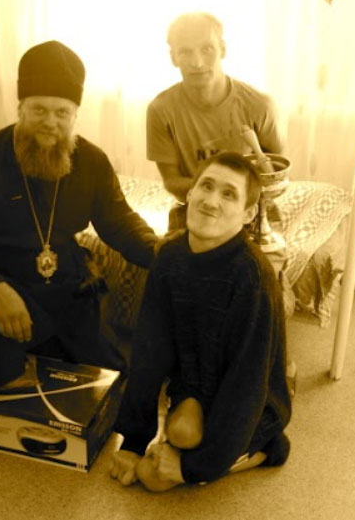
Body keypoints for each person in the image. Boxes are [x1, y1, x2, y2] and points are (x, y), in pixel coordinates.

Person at [0, 40, 159, 451]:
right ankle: (7, 351)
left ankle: (47, 346)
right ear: (20, 107)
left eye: (61, 112)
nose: (50, 122)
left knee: (109, 378)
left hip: (66, 280)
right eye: (39, 109)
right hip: (0, 278)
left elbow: (118, 220)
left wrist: (159, 252)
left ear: (75, 115)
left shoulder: (90, 161)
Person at [110, 152, 291, 492]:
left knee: (154, 479)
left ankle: (267, 448)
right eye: (206, 186)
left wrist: (192, 469)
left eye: (229, 194)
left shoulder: (252, 278)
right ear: (190, 193)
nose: (211, 201)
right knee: (179, 435)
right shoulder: (170, 257)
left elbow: (247, 385)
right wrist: (132, 442)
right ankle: (197, 443)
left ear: (248, 214)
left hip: (253, 405)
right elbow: (149, 351)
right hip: (194, 385)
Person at [146, 12, 284, 228]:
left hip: (251, 210)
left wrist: (233, 201)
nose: (197, 63)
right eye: (185, 52)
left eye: (207, 49)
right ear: (173, 57)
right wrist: (216, 196)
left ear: (223, 49)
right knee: (167, 250)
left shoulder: (260, 105)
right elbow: (172, 181)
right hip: (193, 207)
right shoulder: (160, 109)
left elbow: (274, 175)